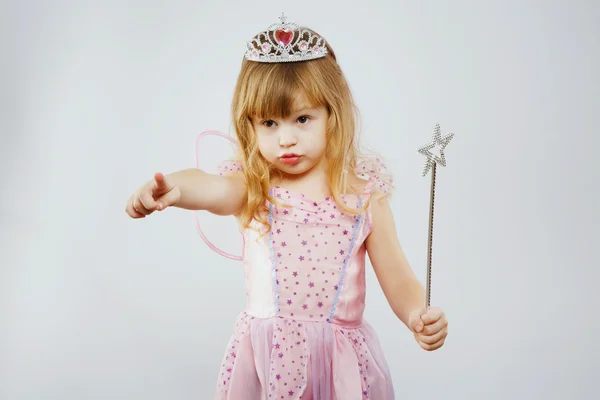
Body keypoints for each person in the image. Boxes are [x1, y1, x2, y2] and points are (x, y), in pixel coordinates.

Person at [125, 13, 448, 400]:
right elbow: (210, 187)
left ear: (333, 114)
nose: (287, 139)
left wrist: (417, 314)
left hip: (339, 365)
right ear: (251, 127)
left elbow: (398, 278)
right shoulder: (254, 187)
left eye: (302, 118)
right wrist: (173, 187)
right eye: (270, 124)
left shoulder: (363, 198)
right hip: (269, 361)